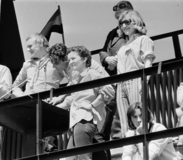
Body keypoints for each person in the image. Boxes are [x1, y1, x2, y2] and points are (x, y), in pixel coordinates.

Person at [48, 43, 113, 159]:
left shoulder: (89, 72)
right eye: (69, 59)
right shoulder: (76, 76)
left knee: (88, 151)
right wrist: (55, 104)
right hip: (78, 121)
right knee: (71, 157)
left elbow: (109, 90)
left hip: (86, 118)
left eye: (73, 59)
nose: (70, 62)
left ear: (84, 59)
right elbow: (72, 98)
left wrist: (92, 105)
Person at [116, 10, 155, 137]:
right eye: (121, 23)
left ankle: (144, 148)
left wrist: (144, 81)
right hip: (121, 83)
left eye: (127, 22)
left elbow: (148, 61)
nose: (123, 26)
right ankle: (130, 149)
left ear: (135, 21)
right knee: (125, 121)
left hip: (136, 79)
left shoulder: (144, 39)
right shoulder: (123, 46)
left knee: (139, 117)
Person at [99, 0, 134, 140]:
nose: (122, 20)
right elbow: (102, 51)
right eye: (119, 17)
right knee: (109, 107)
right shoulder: (112, 33)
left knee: (129, 109)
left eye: (124, 15)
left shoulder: (136, 29)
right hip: (112, 75)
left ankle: (130, 137)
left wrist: (118, 59)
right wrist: (107, 59)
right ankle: (103, 138)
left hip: (127, 75)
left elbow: (136, 49)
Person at [11, 33, 65, 98]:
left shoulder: (55, 60)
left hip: (48, 105)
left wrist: (61, 99)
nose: (28, 50)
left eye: (30, 46)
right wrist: (22, 96)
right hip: (28, 105)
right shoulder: (27, 64)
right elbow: (15, 86)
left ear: (41, 43)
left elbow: (73, 80)